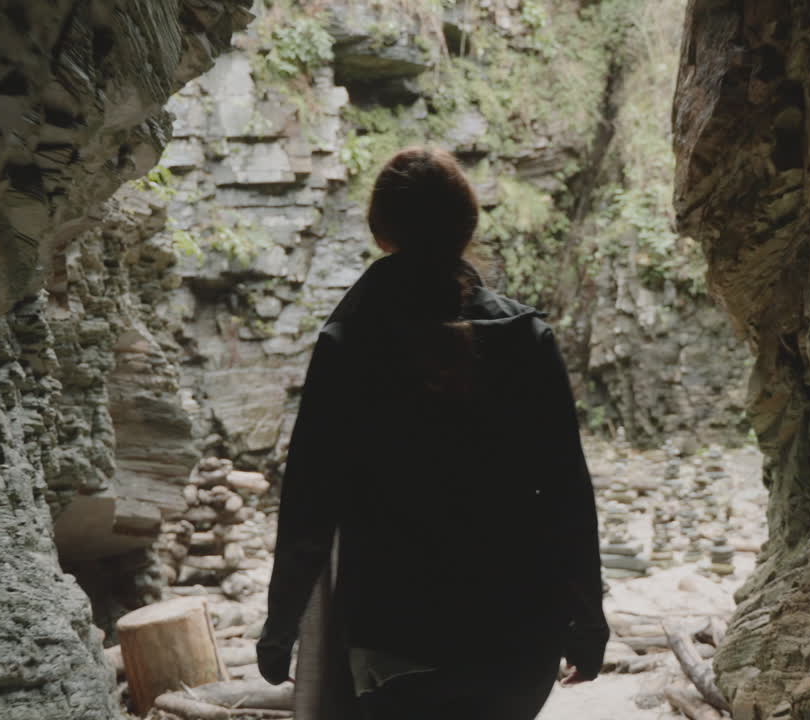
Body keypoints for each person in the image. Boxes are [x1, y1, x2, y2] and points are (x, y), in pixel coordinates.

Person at [257, 147, 608, 720]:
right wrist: (587, 616)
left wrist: (281, 622)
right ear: (467, 226)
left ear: (380, 231)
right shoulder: (528, 340)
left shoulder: (350, 345)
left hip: (396, 631)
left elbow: (310, 504)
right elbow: (567, 493)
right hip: (518, 631)